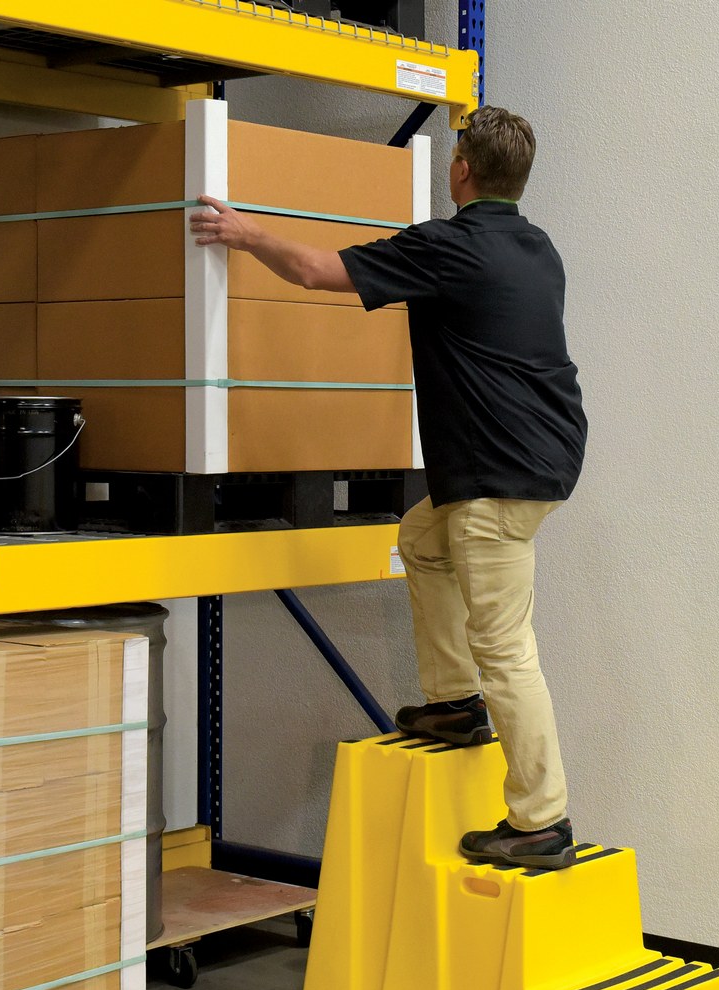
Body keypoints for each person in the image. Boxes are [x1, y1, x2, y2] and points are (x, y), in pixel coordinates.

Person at [190, 105, 587, 871]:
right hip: (541, 462)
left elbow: (316, 272)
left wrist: (246, 234)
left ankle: (541, 820)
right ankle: (454, 703)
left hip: (496, 477)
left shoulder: (452, 247)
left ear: (461, 170)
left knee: (506, 648)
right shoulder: (538, 249)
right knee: (420, 539)